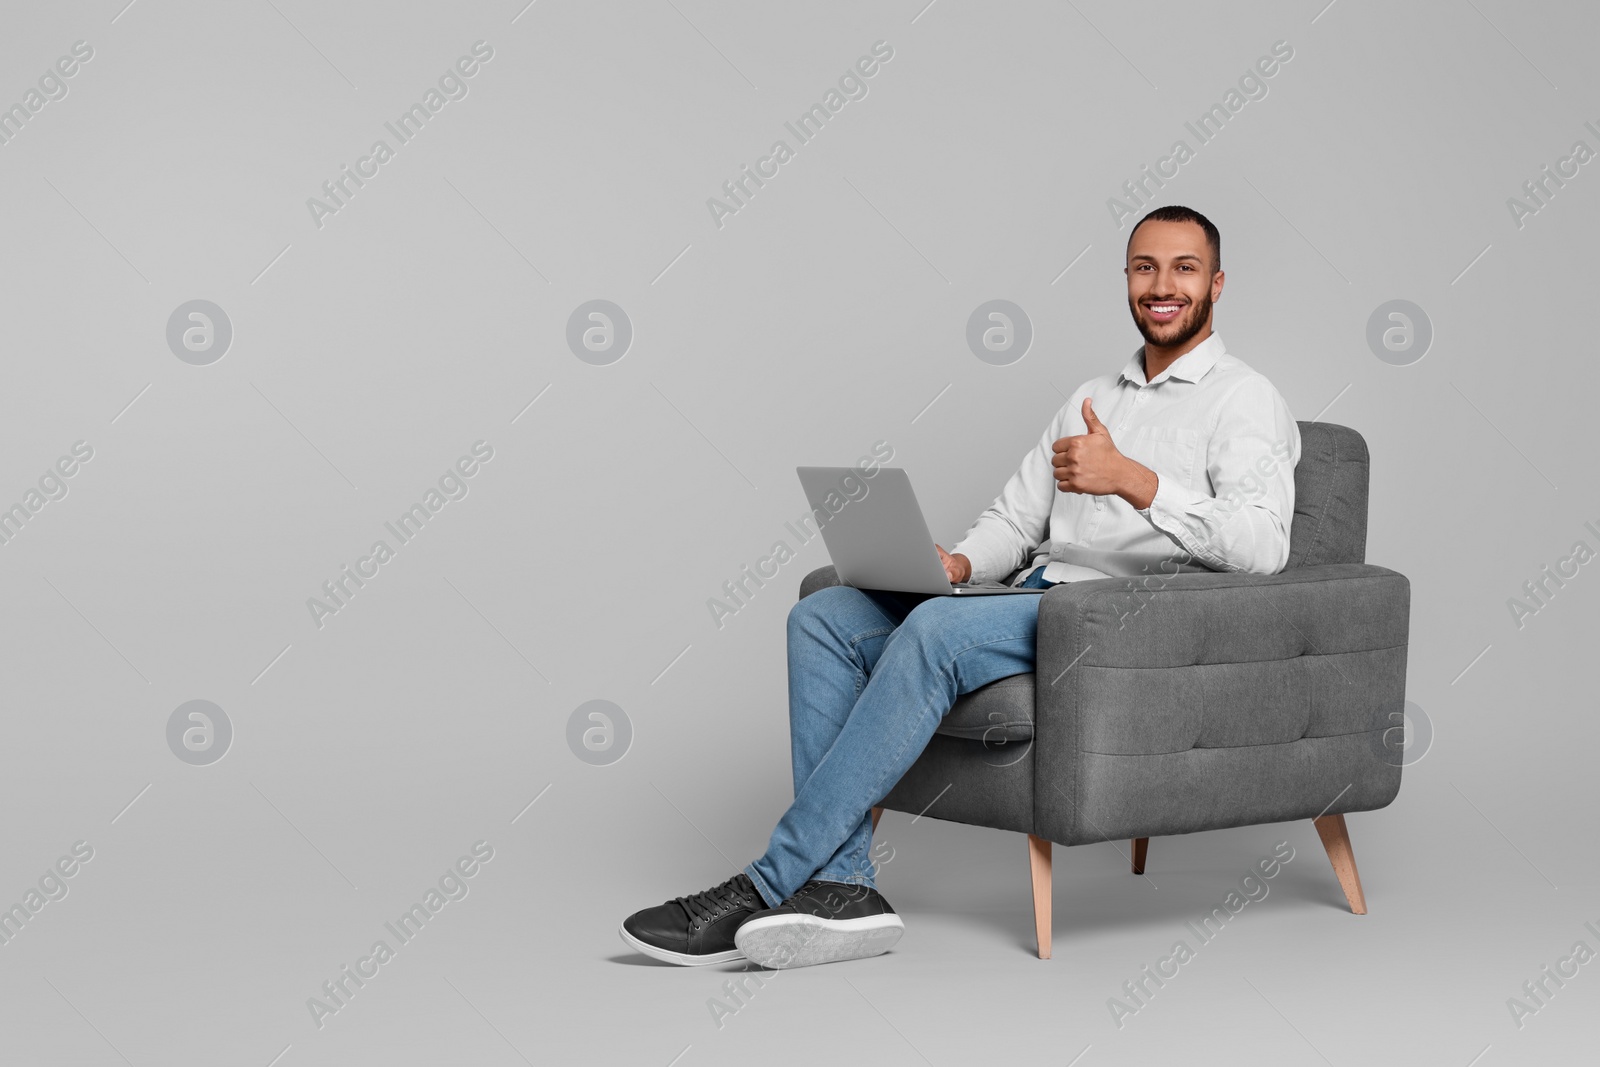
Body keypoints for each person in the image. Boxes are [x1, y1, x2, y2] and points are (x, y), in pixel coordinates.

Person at [619, 205, 1300, 969]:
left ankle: (768, 881)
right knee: (825, 615)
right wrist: (961, 567)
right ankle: (844, 886)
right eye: (1145, 266)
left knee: (935, 634)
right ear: (1127, 280)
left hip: (1120, 619)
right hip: (1035, 595)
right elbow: (1015, 517)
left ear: (1217, 282)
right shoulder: (1093, 397)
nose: (1163, 285)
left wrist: (1136, 482)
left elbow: (1263, 548)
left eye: (1184, 267)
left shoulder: (1245, 399)